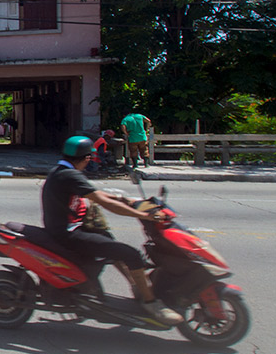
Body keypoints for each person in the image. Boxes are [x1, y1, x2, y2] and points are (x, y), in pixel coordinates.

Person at [41, 135, 182, 325]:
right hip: (68, 235)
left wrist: (127, 200)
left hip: (68, 228)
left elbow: (97, 194)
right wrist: (144, 216)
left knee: (110, 241)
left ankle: (136, 286)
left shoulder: (61, 171)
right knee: (132, 255)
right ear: (87, 158)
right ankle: (151, 302)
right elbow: (103, 201)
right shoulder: (69, 175)